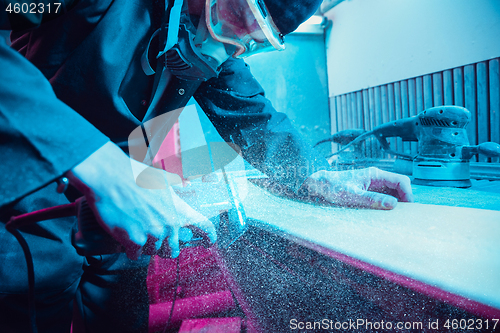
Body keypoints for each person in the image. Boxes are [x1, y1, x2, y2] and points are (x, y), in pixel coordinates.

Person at [0, 0, 413, 332]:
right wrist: (99, 163)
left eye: (261, 37)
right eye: (245, 16)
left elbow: (255, 119)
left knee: (121, 316)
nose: (241, 42)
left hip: (129, 220)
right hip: (33, 202)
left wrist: (315, 176)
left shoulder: (204, 41)